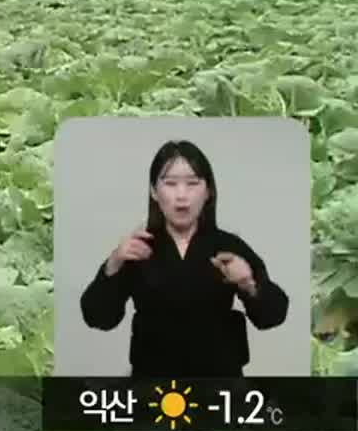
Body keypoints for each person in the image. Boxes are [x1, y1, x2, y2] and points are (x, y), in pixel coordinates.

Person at [80, 139, 288, 378]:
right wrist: (114, 263)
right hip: (152, 383)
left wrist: (248, 284)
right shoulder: (137, 249)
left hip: (219, 383)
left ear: (208, 191)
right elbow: (98, 318)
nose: (181, 195)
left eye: (192, 183)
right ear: (154, 192)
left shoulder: (229, 247)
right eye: (170, 184)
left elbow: (273, 316)